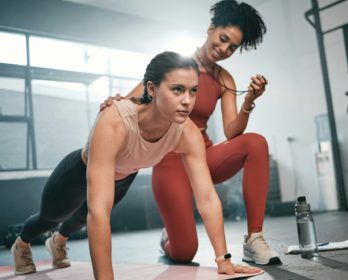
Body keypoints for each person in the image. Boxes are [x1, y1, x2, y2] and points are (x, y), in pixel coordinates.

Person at [10, 51, 260, 279]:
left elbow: (206, 198)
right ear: (152, 89)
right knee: (51, 218)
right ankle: (21, 245)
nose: (187, 101)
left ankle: (58, 242)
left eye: (193, 91)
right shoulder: (115, 121)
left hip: (123, 176)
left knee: (78, 221)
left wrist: (223, 260)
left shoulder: (188, 133)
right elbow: (99, 212)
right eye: (177, 90)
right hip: (78, 171)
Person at [101, 0, 281, 266]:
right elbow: (134, 101)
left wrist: (248, 102)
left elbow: (233, 132)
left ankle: (254, 239)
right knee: (184, 252)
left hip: (203, 156)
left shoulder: (225, 79)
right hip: (169, 160)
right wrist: (114, 103)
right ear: (210, 29)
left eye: (232, 47)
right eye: (222, 39)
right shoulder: (175, 65)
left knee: (255, 143)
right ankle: (168, 237)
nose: (224, 49)